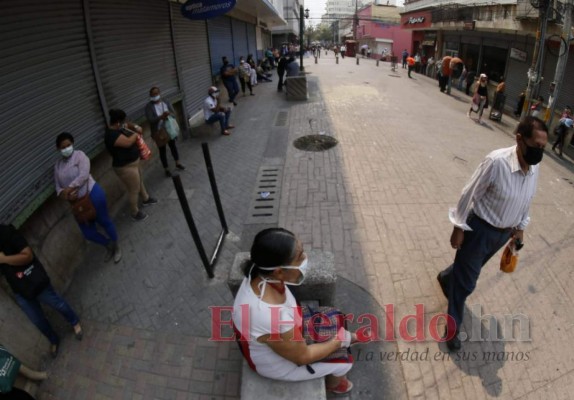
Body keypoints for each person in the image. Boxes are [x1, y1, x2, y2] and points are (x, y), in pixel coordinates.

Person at [437, 116, 549, 351]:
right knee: (467, 283)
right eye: (536, 145)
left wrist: (520, 228)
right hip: (479, 230)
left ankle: (448, 278)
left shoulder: (535, 167)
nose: (540, 152)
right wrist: (458, 227)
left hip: (503, 234)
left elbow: (527, 198)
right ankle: (453, 325)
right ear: (520, 139)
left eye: (543, 148)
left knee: (467, 269)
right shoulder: (497, 162)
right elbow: (469, 193)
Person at [232, 228, 357, 394]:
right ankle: (334, 385)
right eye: (300, 257)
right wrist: (338, 341)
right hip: (281, 364)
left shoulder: (258, 274)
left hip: (290, 331)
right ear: (279, 271)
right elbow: (302, 356)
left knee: (336, 316)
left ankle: (347, 339)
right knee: (345, 362)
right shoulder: (268, 316)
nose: (305, 259)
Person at [0, 224, 83, 358]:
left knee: (57, 303)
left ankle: (74, 322)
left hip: (34, 280)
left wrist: (5, 260)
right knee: (37, 320)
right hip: (20, 290)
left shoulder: (7, 232)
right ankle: (54, 339)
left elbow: (28, 256)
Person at [54, 132, 122, 263]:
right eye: (63, 147)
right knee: (88, 233)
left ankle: (117, 246)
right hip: (77, 204)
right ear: (58, 149)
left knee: (104, 221)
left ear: (72, 144)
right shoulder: (57, 166)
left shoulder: (80, 156)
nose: (66, 149)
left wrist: (69, 188)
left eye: (68, 145)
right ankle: (108, 245)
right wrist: (64, 194)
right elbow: (57, 187)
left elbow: (84, 175)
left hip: (92, 194)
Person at [104, 109, 158, 222]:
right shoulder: (111, 135)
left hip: (133, 163)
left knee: (139, 181)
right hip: (125, 167)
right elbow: (128, 142)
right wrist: (137, 133)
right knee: (134, 189)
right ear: (118, 122)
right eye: (122, 121)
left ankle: (146, 198)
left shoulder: (120, 127)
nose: (125, 123)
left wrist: (136, 126)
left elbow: (128, 124)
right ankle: (134, 212)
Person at [144, 87, 185, 177]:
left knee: (173, 146)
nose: (155, 96)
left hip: (169, 129)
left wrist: (168, 115)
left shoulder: (165, 102)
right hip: (158, 132)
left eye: (156, 94)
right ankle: (166, 169)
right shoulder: (149, 107)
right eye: (152, 95)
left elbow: (173, 113)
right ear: (150, 96)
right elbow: (150, 119)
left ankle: (177, 163)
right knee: (162, 150)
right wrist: (160, 117)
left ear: (159, 93)